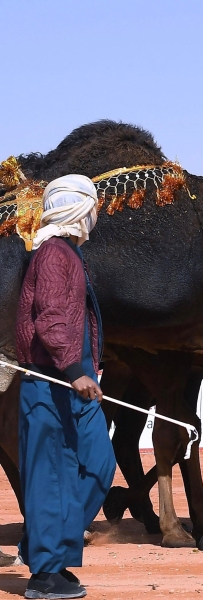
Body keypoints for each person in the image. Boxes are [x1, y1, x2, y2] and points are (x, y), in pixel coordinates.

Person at [15, 174, 116, 599]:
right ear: (79, 209)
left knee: (99, 465)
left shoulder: (69, 253)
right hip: (52, 382)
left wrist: (88, 367)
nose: (96, 215)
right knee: (50, 478)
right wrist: (75, 368)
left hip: (74, 380)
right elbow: (51, 318)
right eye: (93, 206)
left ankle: (44, 552)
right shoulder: (54, 254)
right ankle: (44, 573)